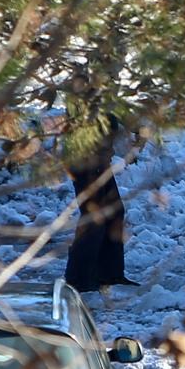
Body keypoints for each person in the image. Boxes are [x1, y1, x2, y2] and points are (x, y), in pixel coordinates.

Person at [63, 73, 138, 292]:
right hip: (84, 163)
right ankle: (79, 278)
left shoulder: (100, 97)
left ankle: (109, 273)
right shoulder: (82, 101)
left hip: (99, 162)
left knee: (115, 211)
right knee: (93, 218)